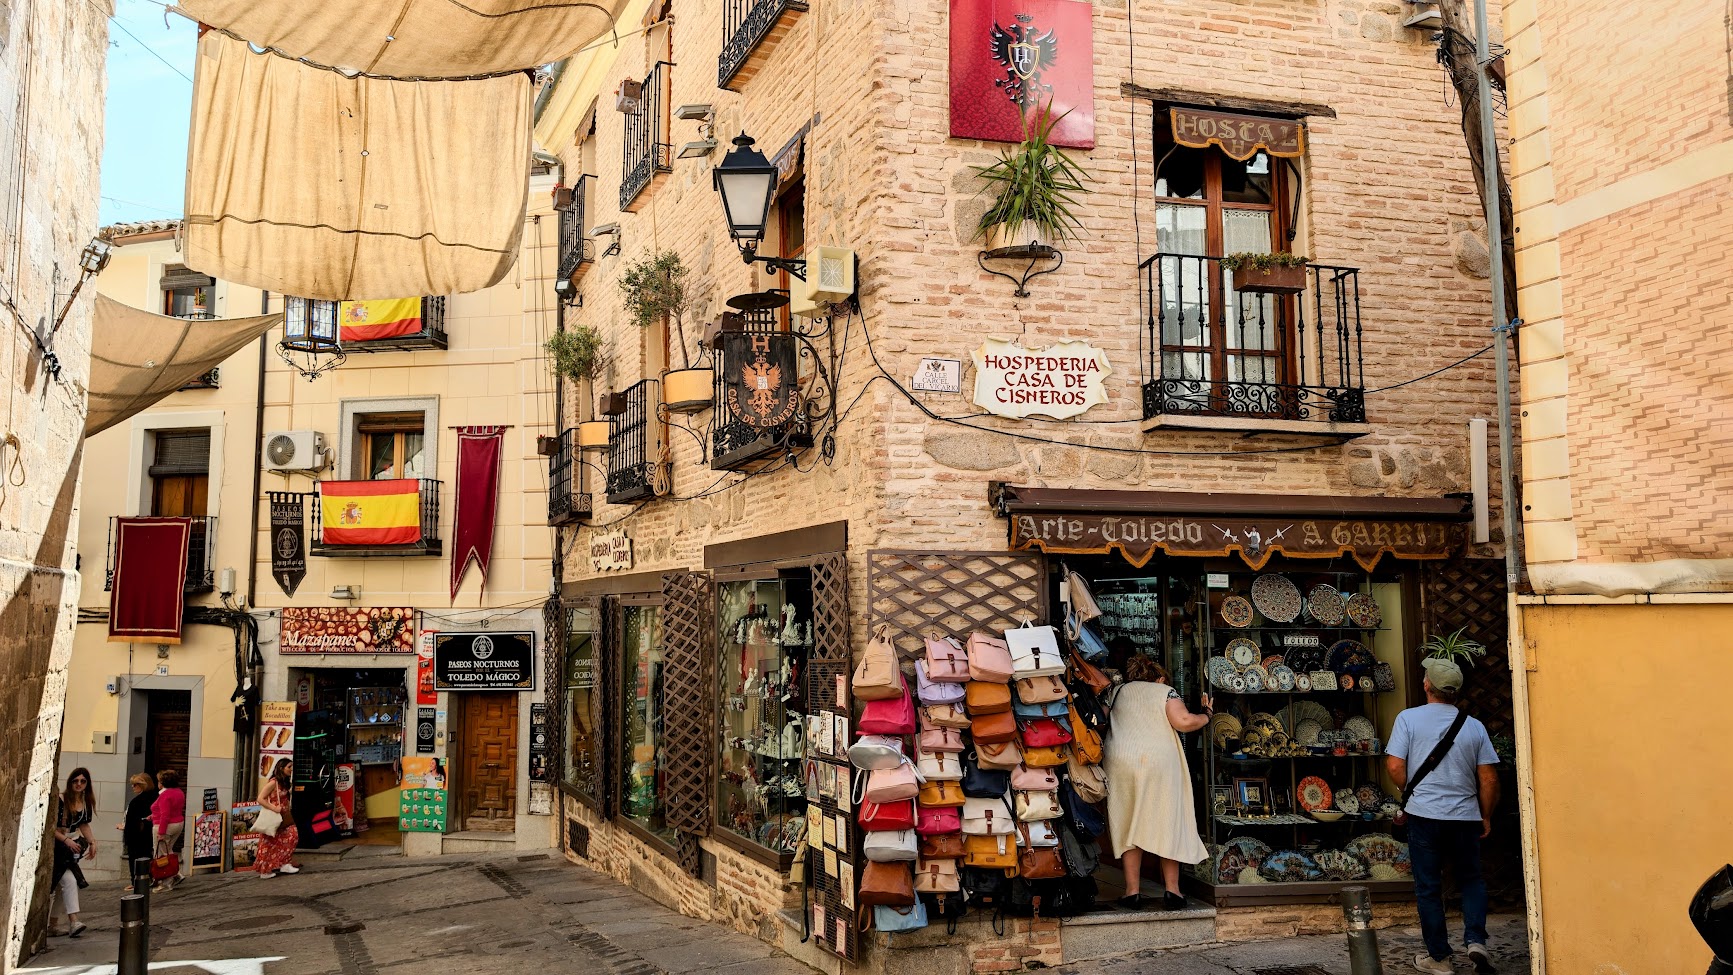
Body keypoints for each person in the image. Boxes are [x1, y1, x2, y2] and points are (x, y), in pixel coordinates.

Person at [1386, 657, 1500, 975]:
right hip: (1464, 817)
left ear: (1427, 686)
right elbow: (1489, 779)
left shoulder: (1408, 719)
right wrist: (1485, 816)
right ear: (1456, 691)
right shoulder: (1474, 726)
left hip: (1423, 816)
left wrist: (1411, 790)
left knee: (1428, 887)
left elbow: (1395, 766)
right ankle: (1476, 941)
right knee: (1472, 879)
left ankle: (1439, 958)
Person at [1102, 655, 1211, 910]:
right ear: (1160, 677)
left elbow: (1101, 719)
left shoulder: (1117, 692)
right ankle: (1173, 891)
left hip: (1121, 762)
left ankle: (1132, 892)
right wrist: (1206, 715)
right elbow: (1183, 722)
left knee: (1127, 821)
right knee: (1166, 820)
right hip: (1158, 762)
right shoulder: (1166, 691)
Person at [49, 768, 97, 938]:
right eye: (75, 781)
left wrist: (92, 841)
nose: (79, 784)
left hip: (71, 849)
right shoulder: (60, 800)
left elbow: (83, 824)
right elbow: (50, 828)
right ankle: (73, 921)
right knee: (68, 881)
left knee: (63, 887)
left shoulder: (85, 802)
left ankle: (52, 925)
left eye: (83, 781)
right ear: (70, 782)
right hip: (58, 847)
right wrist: (66, 840)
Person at [255, 758, 302, 878]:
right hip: (275, 815)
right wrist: (274, 808)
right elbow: (260, 798)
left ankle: (284, 863)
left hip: (284, 815)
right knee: (269, 842)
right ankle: (265, 870)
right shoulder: (273, 782)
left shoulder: (284, 782)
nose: (291, 769)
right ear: (282, 768)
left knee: (292, 836)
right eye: (289, 767)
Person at [118, 773, 158, 892]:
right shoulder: (155, 797)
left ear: (143, 785)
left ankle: (136, 881)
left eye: (135, 785)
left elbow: (132, 820)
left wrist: (125, 828)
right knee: (147, 856)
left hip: (137, 834)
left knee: (135, 857)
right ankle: (150, 878)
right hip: (148, 832)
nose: (133, 787)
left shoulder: (138, 801)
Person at [151, 769, 187, 890]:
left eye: (159, 781)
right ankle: (176, 875)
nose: (158, 783)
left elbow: (165, 815)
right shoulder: (179, 792)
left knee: (161, 854)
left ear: (163, 782)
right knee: (168, 850)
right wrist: (152, 816)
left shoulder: (165, 795)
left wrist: (161, 832)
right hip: (178, 823)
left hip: (166, 826)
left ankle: (166, 882)